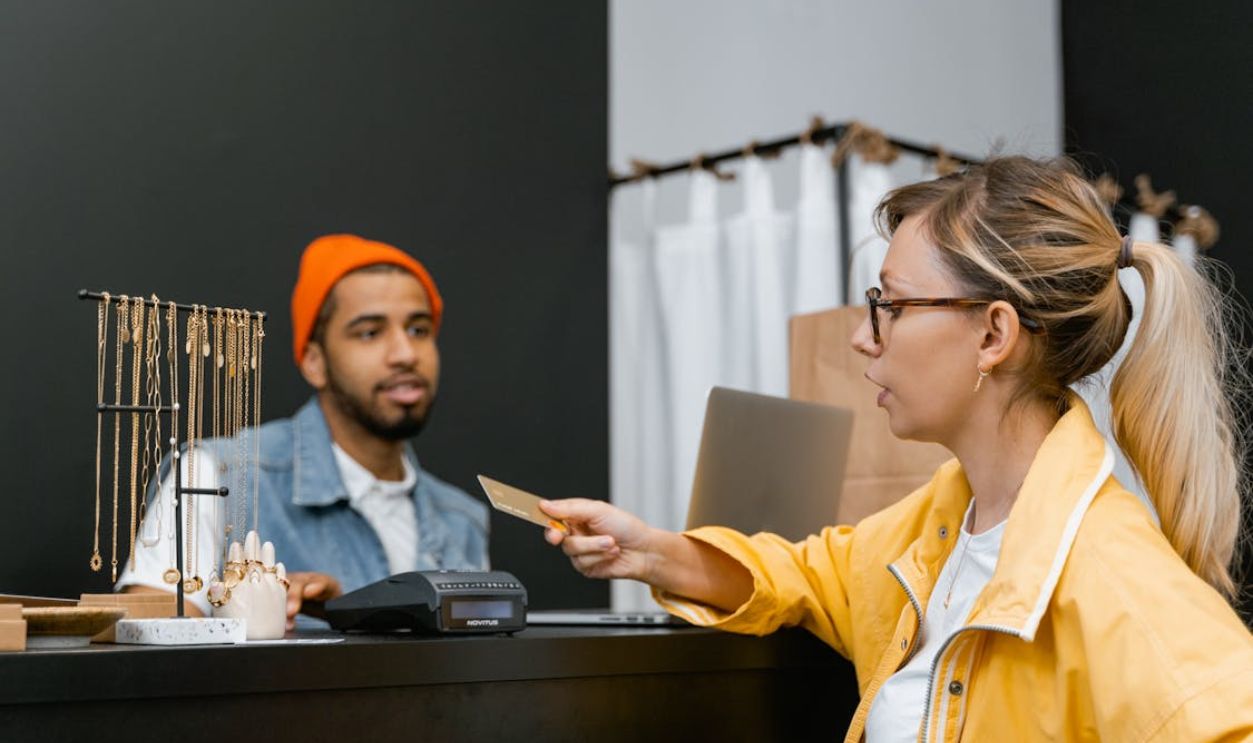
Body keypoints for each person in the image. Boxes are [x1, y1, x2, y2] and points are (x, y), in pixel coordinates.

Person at [541, 157, 1253, 741]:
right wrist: (646, 551)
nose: (862, 334)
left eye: (891, 305)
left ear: (992, 335)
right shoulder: (941, 520)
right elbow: (808, 574)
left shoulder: (1114, 579)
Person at [119, 234, 489, 628]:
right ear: (314, 362)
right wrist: (247, 616)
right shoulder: (216, 476)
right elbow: (152, 646)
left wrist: (349, 613)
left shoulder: (462, 520)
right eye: (369, 332)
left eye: (419, 329)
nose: (405, 354)